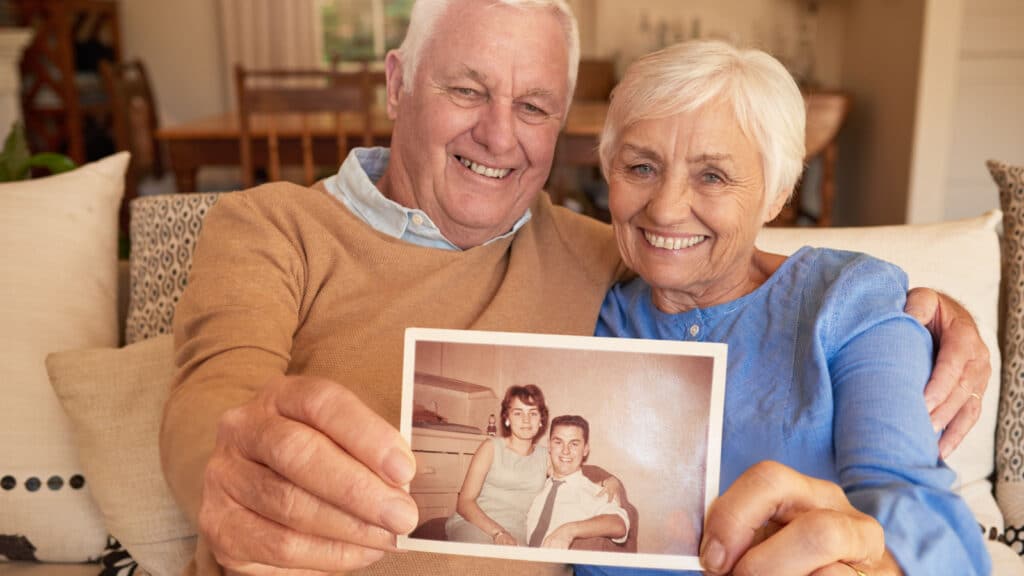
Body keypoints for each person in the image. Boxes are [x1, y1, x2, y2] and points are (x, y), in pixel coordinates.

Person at [160, 1, 991, 574]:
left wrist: (924, 313)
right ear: (396, 82)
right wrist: (227, 467)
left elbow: (726, 265)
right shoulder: (269, 226)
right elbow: (215, 391)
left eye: (534, 106)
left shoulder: (599, 253)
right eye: (466, 89)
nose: (498, 133)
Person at [588, 40, 989, 575]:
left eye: (712, 176)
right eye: (640, 167)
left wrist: (882, 564)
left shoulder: (849, 302)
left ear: (776, 194)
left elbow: (931, 525)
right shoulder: (585, 292)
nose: (664, 208)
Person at [445, 385, 550, 544]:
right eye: (518, 413)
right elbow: (464, 502)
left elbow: (572, 480)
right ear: (507, 418)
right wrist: (498, 532)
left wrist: (601, 484)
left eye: (533, 413)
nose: (526, 420)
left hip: (518, 532)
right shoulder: (490, 447)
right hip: (475, 524)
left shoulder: (546, 456)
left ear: (541, 419)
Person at [525, 415, 628, 549]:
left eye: (574, 444)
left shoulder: (595, 492)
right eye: (558, 442)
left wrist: (569, 530)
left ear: (585, 449)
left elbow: (619, 525)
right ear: (549, 446)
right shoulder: (536, 484)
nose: (565, 451)